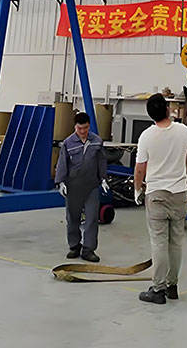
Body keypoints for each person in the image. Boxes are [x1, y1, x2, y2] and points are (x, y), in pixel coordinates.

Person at [134, 92, 187, 305]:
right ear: (168, 109)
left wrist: (137, 190)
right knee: (176, 243)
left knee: (159, 243)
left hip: (157, 194)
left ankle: (158, 289)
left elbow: (140, 169)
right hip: (179, 193)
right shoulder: (184, 132)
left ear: (150, 114)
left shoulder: (146, 136)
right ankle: (172, 286)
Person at [54, 111, 108, 263]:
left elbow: (101, 161)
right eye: (79, 128)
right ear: (75, 127)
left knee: (92, 218)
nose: (82, 131)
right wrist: (61, 182)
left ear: (89, 126)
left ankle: (88, 250)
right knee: (73, 218)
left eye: (85, 128)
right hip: (74, 187)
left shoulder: (96, 141)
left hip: (91, 186)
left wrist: (104, 179)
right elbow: (62, 163)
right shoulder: (68, 143)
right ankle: (74, 246)